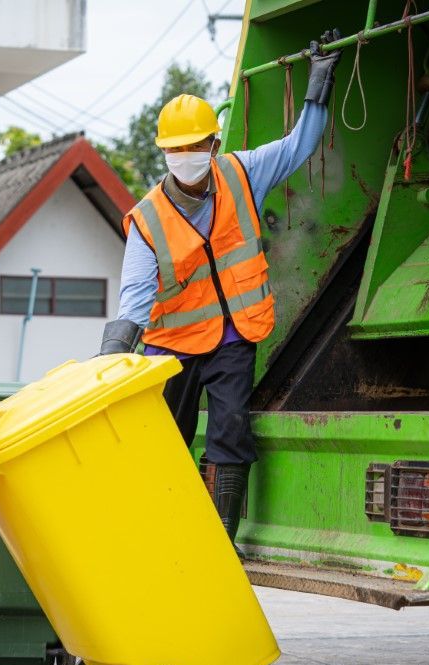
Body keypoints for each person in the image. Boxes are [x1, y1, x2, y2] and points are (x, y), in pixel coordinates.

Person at [99, 32, 343, 548]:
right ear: (164, 152)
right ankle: (161, 533)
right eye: (176, 149)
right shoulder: (147, 220)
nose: (186, 155)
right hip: (173, 346)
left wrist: (319, 86)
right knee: (166, 439)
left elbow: (299, 144)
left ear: (213, 144)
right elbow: (134, 301)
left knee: (230, 434)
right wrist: (110, 362)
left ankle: (221, 542)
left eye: (195, 146)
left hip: (235, 336)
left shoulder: (242, 172)